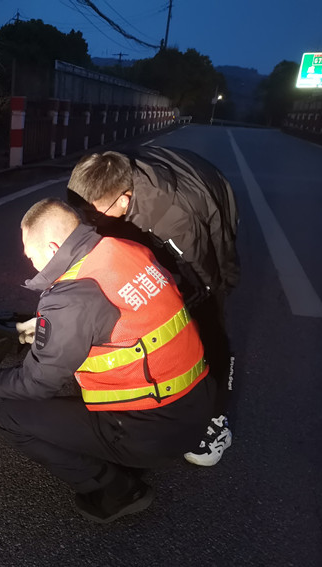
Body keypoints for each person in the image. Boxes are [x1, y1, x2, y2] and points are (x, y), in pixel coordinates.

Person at [0, 198, 215, 524]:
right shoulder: (123, 248)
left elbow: (37, 383)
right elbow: (114, 319)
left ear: (53, 247)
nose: (31, 262)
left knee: (12, 416)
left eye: (31, 254)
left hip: (153, 428)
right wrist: (43, 329)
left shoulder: (70, 297)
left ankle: (118, 491)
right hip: (196, 400)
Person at [67, 147, 239, 467]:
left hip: (209, 194)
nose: (84, 220)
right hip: (160, 181)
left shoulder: (177, 221)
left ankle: (215, 419)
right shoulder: (99, 186)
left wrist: (161, 304)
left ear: (123, 199)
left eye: (91, 213)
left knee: (208, 314)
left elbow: (205, 281)